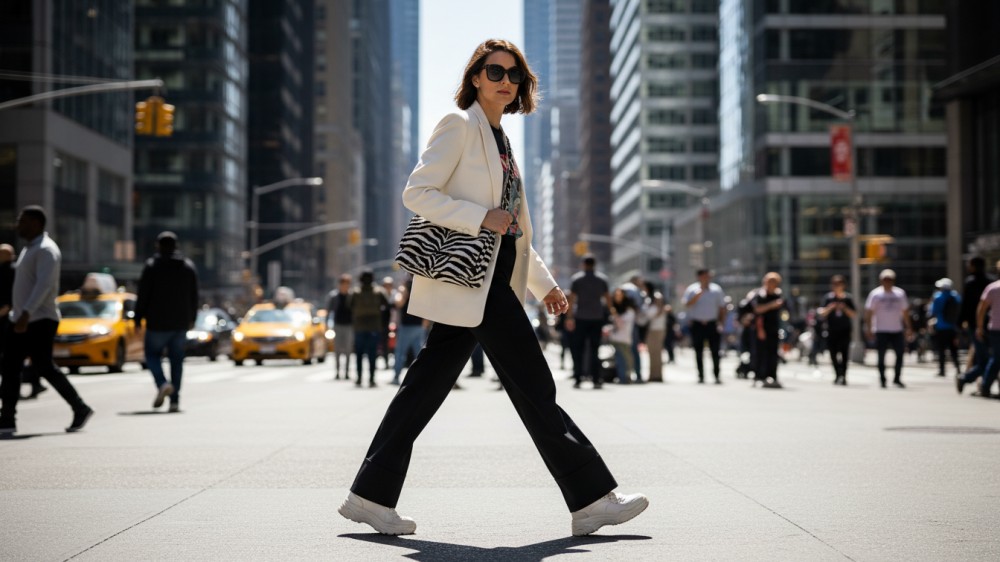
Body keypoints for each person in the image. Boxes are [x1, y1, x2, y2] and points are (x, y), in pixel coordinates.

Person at [338, 39, 647, 537]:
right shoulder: (459, 126)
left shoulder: (502, 143)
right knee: (534, 385)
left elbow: (516, 231)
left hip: (489, 283)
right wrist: (480, 216)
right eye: (495, 71)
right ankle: (591, 499)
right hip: (472, 284)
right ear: (476, 77)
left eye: (515, 75)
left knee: (423, 388)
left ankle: (368, 496)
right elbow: (417, 192)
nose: (506, 81)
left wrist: (543, 285)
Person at [0, 206, 93, 435]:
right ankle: (7, 420)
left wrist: (26, 313)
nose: (18, 225)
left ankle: (80, 407)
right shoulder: (30, 248)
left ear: (36, 223)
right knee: (10, 367)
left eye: (22, 221)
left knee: (44, 368)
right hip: (21, 318)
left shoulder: (46, 250)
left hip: (39, 319)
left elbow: (45, 285)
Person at [135, 231, 199, 412]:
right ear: (176, 246)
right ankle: (174, 401)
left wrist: (138, 317)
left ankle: (162, 383)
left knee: (152, 355)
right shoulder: (188, 267)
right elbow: (194, 296)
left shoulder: (151, 266)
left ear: (158, 246)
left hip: (157, 323)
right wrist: (192, 318)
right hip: (180, 323)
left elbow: (143, 295)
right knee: (176, 361)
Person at [566, 254, 612, 390]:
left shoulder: (577, 279)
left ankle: (578, 378)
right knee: (595, 350)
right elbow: (608, 298)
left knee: (577, 349)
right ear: (594, 265)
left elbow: (572, 299)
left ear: (584, 264)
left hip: (581, 317)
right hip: (597, 318)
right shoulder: (602, 279)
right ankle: (596, 379)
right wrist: (610, 313)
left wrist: (569, 318)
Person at [864, 269, 912, 389]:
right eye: (885, 279)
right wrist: (869, 328)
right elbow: (869, 312)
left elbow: (905, 312)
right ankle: (882, 379)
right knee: (881, 356)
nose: (888, 282)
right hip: (881, 329)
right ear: (881, 281)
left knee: (900, 354)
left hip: (897, 329)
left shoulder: (900, 293)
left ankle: (897, 378)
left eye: (890, 279)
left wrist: (909, 327)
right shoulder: (875, 294)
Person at [682, 268, 727, 384]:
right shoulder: (692, 289)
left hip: (712, 324)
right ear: (699, 277)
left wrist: (721, 323)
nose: (707, 278)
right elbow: (687, 304)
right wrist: (698, 295)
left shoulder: (716, 290)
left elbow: (722, 307)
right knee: (698, 351)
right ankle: (701, 375)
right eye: (705, 276)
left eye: (708, 276)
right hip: (697, 324)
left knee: (715, 351)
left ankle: (716, 374)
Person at [956, 257, 994, 394]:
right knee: (988, 358)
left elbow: (965, 306)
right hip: (989, 324)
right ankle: (982, 384)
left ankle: (967, 379)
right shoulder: (990, 281)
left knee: (987, 358)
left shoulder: (972, 282)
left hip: (978, 325)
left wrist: (960, 323)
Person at [349, 269, 389, 388]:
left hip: (360, 327)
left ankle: (359, 378)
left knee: (360, 354)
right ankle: (371, 379)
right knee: (372, 354)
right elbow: (387, 305)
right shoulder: (379, 291)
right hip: (373, 327)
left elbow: (349, 306)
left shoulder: (355, 292)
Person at [819, 275, 856, 386]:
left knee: (844, 354)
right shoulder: (828, 298)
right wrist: (831, 307)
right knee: (833, 354)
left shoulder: (848, 298)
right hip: (831, 330)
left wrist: (844, 308)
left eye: (839, 284)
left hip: (844, 330)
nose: (837, 286)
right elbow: (821, 313)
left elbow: (853, 314)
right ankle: (837, 374)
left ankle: (843, 376)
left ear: (843, 285)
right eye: (835, 284)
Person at [751, 272, 785, 389]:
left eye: (774, 282)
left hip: (774, 328)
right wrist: (771, 305)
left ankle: (772, 376)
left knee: (773, 354)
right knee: (760, 353)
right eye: (770, 281)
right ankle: (758, 376)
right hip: (761, 328)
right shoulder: (760, 295)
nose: (772, 284)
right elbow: (757, 311)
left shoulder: (778, 295)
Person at [971, 261, 1000, 397]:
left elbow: (981, 310)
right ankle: (985, 386)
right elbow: (981, 309)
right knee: (996, 359)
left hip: (994, 328)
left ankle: (985, 386)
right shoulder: (993, 288)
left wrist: (980, 326)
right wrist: (980, 327)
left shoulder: (992, 288)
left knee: (996, 359)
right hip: (996, 329)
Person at [391, 277, 425, 385]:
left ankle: (396, 376)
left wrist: (402, 292)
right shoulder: (422, 288)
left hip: (407, 326)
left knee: (401, 352)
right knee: (419, 353)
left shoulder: (404, 287)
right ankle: (422, 377)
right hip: (418, 326)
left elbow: (398, 303)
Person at [929, 278, 961, 379]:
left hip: (941, 327)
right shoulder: (956, 297)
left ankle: (942, 370)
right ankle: (958, 368)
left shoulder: (938, 297)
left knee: (941, 350)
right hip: (953, 327)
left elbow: (933, 311)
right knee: (954, 350)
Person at [326, 274, 354, 380]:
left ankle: (346, 372)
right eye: (343, 284)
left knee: (347, 350)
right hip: (337, 325)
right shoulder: (334, 296)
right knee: (337, 349)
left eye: (347, 284)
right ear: (340, 284)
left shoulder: (352, 295)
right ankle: (337, 372)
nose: (345, 286)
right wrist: (327, 326)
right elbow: (328, 311)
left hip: (349, 325)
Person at [609, 288, 637, 384]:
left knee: (626, 359)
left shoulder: (629, 311)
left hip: (624, 339)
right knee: (619, 359)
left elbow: (621, 324)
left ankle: (625, 377)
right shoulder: (614, 308)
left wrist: (615, 315)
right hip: (616, 338)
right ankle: (622, 377)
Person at [644, 288, 666, 382]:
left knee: (658, 354)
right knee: (652, 354)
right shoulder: (652, 308)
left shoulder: (663, 308)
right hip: (652, 331)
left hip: (660, 331)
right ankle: (652, 375)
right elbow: (649, 317)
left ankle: (658, 375)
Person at [379, 276, 396, 369]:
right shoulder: (380, 295)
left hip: (395, 323)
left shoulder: (395, 295)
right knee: (384, 343)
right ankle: (386, 361)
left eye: (389, 285)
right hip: (383, 324)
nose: (387, 287)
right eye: (385, 285)